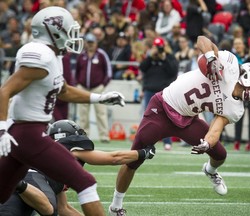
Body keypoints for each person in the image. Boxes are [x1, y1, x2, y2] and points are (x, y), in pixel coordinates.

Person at [108, 35, 250, 216]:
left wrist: (207, 144)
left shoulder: (236, 109)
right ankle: (115, 206)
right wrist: (210, 57)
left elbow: (216, 127)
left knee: (219, 153)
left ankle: (210, 171)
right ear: (249, 76)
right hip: (162, 108)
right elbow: (202, 39)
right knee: (134, 159)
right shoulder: (230, 65)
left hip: (187, 120)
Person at [0, 6, 125, 216]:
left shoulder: (53, 56)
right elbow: (5, 90)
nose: (72, 36)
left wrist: (99, 98)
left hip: (24, 133)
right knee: (86, 183)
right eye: (68, 31)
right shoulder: (41, 56)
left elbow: (64, 90)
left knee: (2, 192)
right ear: (52, 31)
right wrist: (2, 128)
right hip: (27, 133)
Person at [0, 119, 155, 216]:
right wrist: (142, 153)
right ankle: (17, 183)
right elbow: (113, 158)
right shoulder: (70, 148)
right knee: (48, 209)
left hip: (27, 185)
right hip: (30, 180)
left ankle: (16, 183)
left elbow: (64, 209)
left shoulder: (52, 164)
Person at [139, 36, 178, 150]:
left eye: (159, 47)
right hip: (149, 91)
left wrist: (163, 58)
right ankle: (147, 141)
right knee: (149, 117)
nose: (158, 49)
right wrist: (151, 56)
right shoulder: (150, 58)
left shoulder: (169, 57)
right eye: (156, 47)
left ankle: (167, 141)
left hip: (164, 91)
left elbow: (173, 71)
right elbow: (142, 68)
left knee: (165, 116)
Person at [76, 32, 112, 142]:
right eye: (88, 43)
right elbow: (77, 71)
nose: (90, 45)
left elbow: (108, 71)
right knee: (83, 113)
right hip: (83, 87)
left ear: (96, 43)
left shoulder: (101, 54)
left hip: (97, 88)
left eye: (92, 43)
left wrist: (103, 85)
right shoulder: (81, 55)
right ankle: (84, 135)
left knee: (101, 112)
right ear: (85, 43)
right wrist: (77, 83)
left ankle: (104, 136)